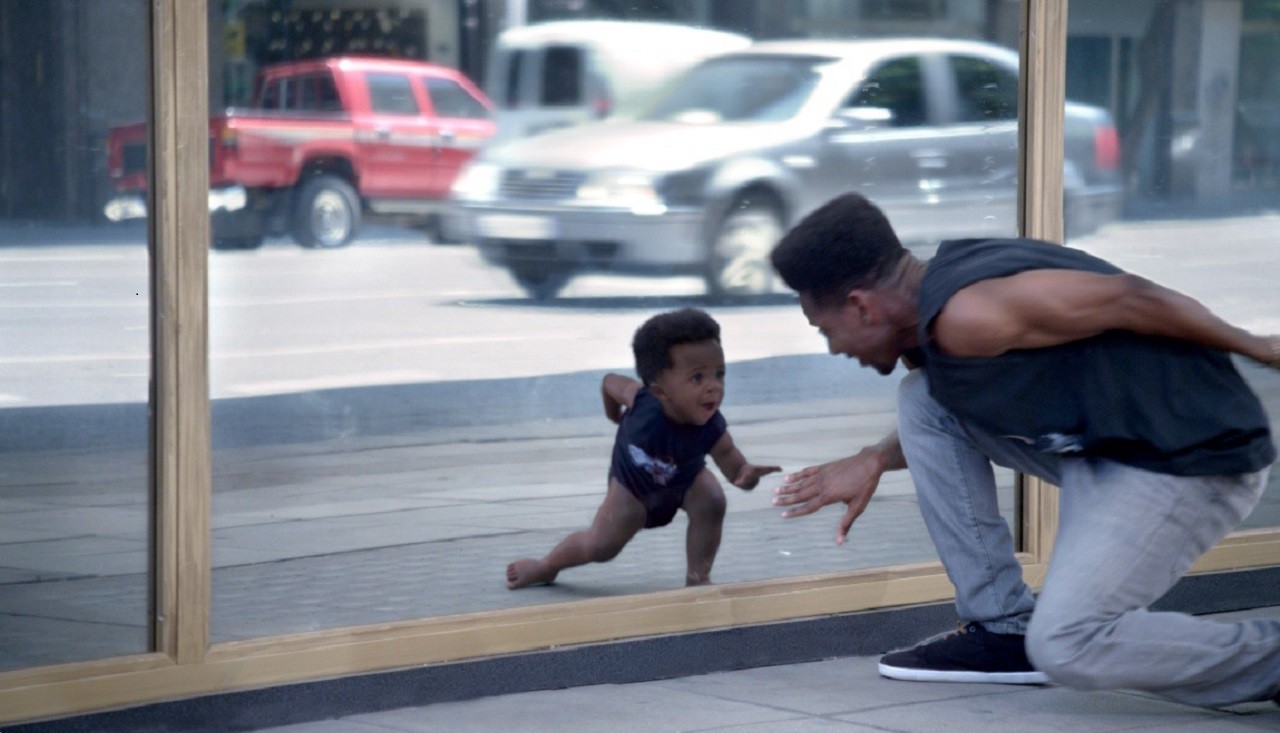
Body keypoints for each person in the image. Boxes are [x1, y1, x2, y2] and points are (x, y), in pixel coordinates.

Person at [767, 191, 1280, 707]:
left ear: (861, 306)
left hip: (1189, 459)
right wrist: (876, 458)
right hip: (1112, 447)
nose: (834, 348)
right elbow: (948, 411)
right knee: (924, 400)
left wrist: (1257, 345)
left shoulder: (970, 310)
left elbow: (1132, 297)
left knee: (1066, 643)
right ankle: (1003, 630)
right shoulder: (928, 325)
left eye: (826, 331)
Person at [507, 307, 781, 590]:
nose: (714, 387)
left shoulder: (712, 427)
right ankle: (547, 566)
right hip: (633, 485)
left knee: (712, 500)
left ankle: (698, 577)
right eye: (697, 378)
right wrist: (614, 415)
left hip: (683, 480)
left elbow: (731, 463)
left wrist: (746, 476)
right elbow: (609, 382)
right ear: (660, 391)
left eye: (719, 374)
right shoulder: (640, 402)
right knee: (601, 545)